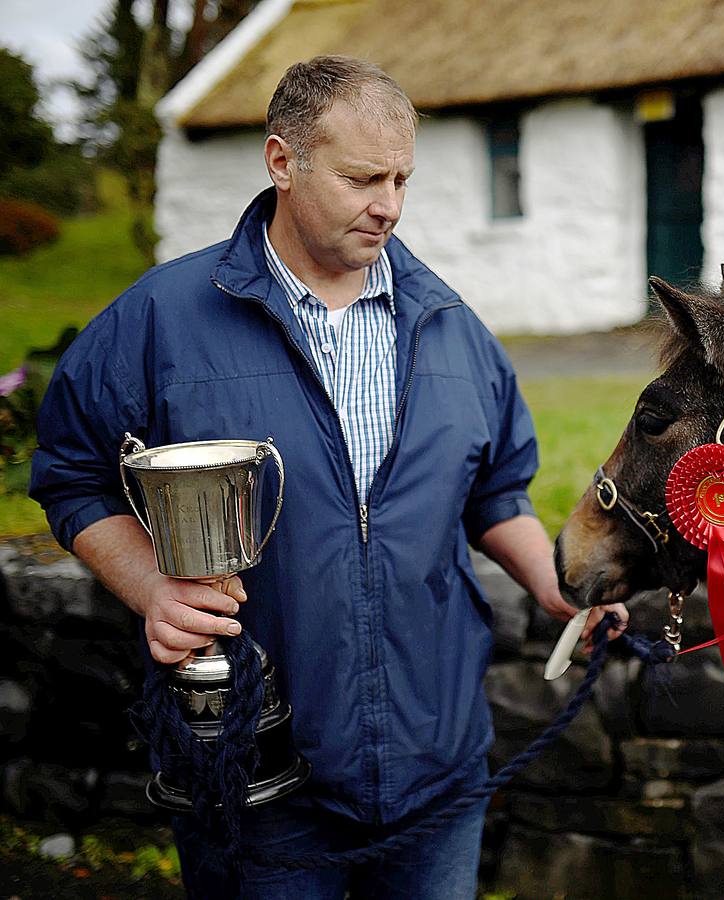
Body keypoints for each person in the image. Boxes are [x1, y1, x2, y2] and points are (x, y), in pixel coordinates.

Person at [29, 55, 626, 898]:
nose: (388, 205)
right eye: (360, 178)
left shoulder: (452, 324)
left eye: (401, 180)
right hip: (257, 771)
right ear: (282, 162)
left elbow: (497, 492)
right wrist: (150, 587)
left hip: (437, 766)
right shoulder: (157, 319)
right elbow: (70, 475)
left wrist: (555, 583)